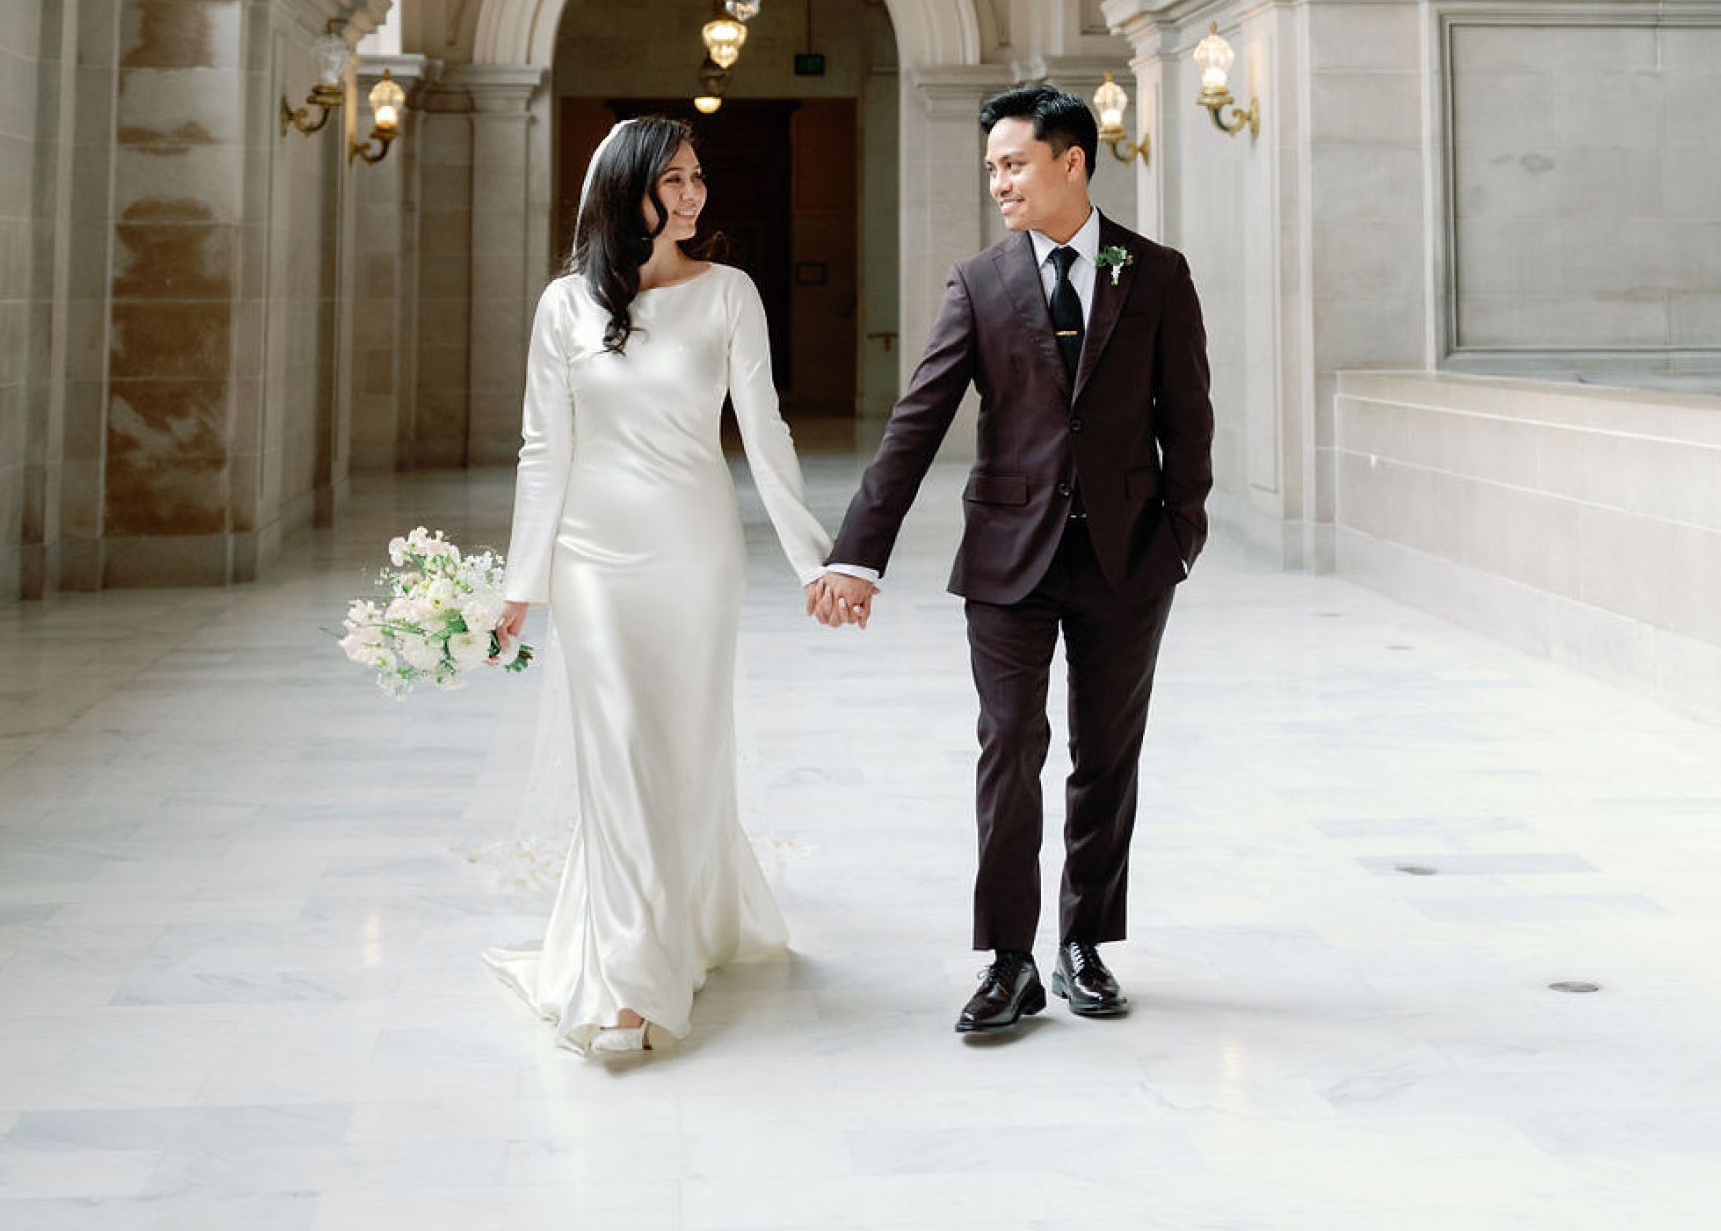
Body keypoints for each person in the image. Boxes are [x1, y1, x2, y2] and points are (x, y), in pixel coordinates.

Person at [810, 84, 1213, 1038]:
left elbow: (1187, 423)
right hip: (1006, 561)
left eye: (1013, 163)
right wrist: (856, 556)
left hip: (1126, 562)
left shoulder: (1153, 273)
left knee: (1106, 758)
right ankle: (1008, 959)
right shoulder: (980, 283)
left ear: (1071, 161)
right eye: (991, 166)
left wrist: (1178, 540)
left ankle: (1086, 945)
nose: (998, 182)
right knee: (1008, 749)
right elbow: (917, 423)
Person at [486, 115, 833, 1058]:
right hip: (592, 559)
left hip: (695, 551)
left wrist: (814, 558)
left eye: (697, 177)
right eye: (670, 179)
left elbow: (766, 434)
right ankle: (632, 983)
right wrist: (522, 585)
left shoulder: (729, 294)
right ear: (625, 190)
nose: (691, 195)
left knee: (681, 749)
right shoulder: (565, 306)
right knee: (619, 750)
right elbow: (541, 450)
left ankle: (692, 924)